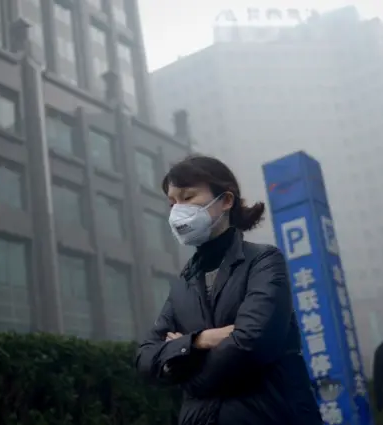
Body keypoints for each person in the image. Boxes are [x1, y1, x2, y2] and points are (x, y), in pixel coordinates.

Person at [135, 155, 322, 425]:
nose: (177, 211)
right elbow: (145, 357)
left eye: (187, 197)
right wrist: (200, 341)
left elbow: (251, 344)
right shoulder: (184, 283)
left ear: (225, 200)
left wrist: (185, 370)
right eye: (172, 203)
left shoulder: (263, 261)